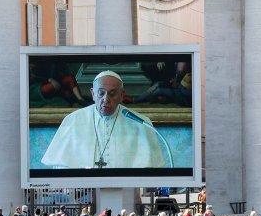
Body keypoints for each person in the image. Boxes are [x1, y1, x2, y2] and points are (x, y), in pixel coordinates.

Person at [41, 70, 172, 169]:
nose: (106, 99)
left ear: (122, 95)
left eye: (112, 93)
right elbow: (60, 167)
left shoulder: (141, 122)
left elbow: (150, 171)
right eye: (101, 93)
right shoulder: (73, 121)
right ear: (93, 94)